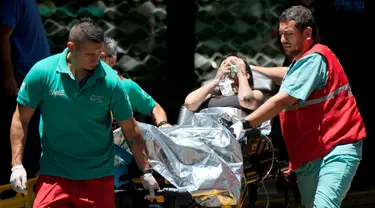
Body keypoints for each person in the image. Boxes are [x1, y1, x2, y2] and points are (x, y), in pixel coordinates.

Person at [9, 18, 159, 208]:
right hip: (54, 174)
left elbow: (130, 128)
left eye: (99, 53)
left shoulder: (111, 81)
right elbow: (21, 118)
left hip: (97, 177)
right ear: (71, 47)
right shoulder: (42, 72)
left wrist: (145, 171)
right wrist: (17, 165)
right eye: (89, 54)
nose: (96, 59)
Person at [234, 5, 366, 208]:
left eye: (289, 34)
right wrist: (252, 69)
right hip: (309, 153)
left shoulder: (315, 59)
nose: (283, 40)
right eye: (280, 34)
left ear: (307, 33)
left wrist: (245, 123)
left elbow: (282, 100)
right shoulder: (303, 61)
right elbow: (287, 74)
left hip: (336, 148)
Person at [0, 0, 50, 185]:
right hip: (22, 78)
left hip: (36, 79)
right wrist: (9, 76)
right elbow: (2, 36)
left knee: (35, 137)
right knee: (22, 134)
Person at [100, 36, 171, 128]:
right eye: (90, 55)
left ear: (112, 61)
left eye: (100, 57)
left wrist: (163, 124)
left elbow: (154, 107)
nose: (94, 60)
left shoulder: (125, 85)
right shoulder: (78, 82)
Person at [184, 52, 264, 113]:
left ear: (247, 75)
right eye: (224, 64)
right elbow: (190, 103)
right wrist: (215, 81)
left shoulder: (256, 94)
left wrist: (241, 74)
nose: (228, 65)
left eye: (233, 63)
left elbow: (246, 100)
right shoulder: (209, 95)